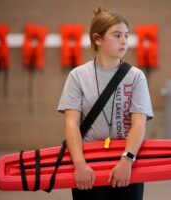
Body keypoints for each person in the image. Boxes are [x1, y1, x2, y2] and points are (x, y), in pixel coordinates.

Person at [57, 6, 153, 200]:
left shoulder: (136, 77)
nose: (124, 41)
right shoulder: (78, 76)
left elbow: (139, 123)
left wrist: (127, 160)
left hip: (127, 162)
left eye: (126, 35)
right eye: (116, 35)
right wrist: (80, 165)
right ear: (97, 39)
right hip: (89, 163)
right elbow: (71, 123)